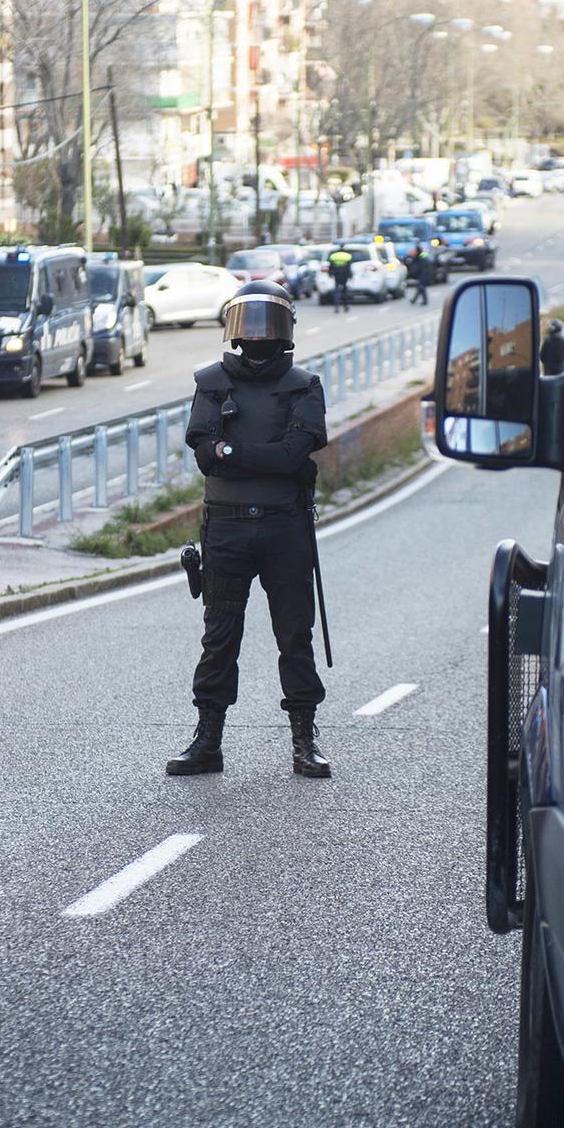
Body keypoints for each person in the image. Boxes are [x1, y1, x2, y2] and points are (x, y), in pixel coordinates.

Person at [169, 283, 333, 780]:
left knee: (294, 636)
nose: (257, 335)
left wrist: (232, 453)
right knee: (219, 637)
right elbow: (204, 457)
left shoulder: (304, 385)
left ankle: (304, 740)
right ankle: (208, 740)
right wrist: (260, 459)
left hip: (284, 527)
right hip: (227, 529)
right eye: (249, 323)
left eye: (266, 323)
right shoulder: (211, 382)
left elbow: (290, 456)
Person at [326, 245, 354, 313]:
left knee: (337, 290)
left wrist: (330, 274)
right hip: (345, 275)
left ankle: (337, 306)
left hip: (337, 275)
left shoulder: (333, 256)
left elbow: (330, 267)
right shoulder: (348, 256)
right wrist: (350, 275)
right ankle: (346, 306)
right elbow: (349, 267)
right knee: (344, 290)